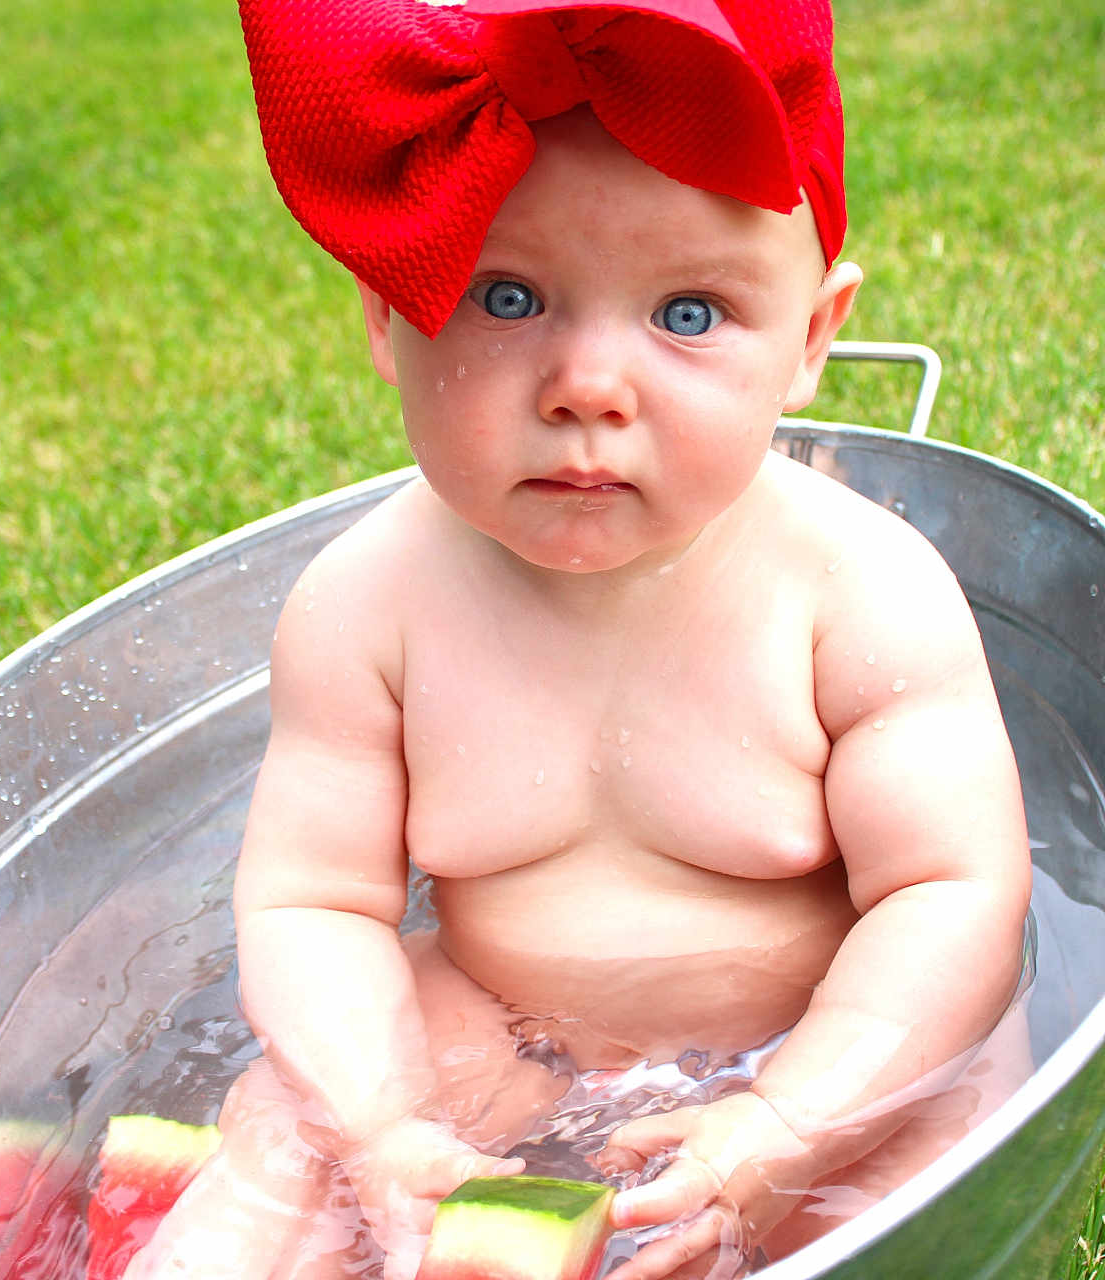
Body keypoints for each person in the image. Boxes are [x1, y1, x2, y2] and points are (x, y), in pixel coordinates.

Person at [127, 1, 1034, 1276]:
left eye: (687, 313)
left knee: (935, 1134)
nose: (586, 386)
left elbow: (951, 894)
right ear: (388, 316)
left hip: (827, 1033)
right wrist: (379, 1117)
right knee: (280, 1136)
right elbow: (312, 899)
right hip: (499, 1024)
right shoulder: (364, 607)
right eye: (508, 297)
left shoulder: (859, 594)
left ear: (810, 341)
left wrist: (792, 1119)